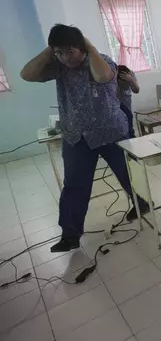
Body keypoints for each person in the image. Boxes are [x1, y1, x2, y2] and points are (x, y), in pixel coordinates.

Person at [20, 24, 149, 252]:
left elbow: (103, 77)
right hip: (76, 136)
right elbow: (26, 74)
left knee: (127, 173)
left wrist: (88, 46)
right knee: (74, 186)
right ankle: (70, 235)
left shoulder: (102, 61)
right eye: (60, 53)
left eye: (70, 51)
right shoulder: (58, 68)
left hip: (111, 132)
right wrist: (51, 50)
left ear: (81, 48)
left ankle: (141, 203)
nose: (65, 57)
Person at [116, 65, 139, 138]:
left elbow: (136, 90)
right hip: (118, 106)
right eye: (123, 83)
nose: (126, 85)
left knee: (130, 127)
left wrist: (131, 80)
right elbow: (115, 94)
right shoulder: (113, 78)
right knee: (122, 130)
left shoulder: (130, 74)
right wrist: (115, 81)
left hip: (127, 106)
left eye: (127, 83)